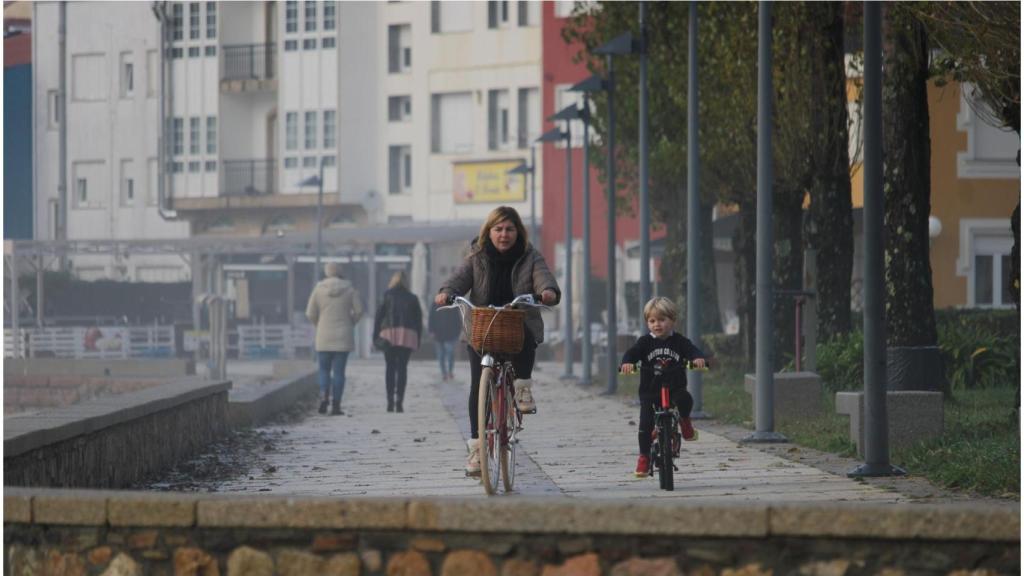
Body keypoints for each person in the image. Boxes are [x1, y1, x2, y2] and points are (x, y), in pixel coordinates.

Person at [434, 206, 560, 476]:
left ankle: (523, 387)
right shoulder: (476, 256)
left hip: (517, 322)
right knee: (477, 383)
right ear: (488, 232)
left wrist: (547, 292)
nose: (504, 235)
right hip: (481, 327)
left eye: (510, 229)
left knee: (525, 336)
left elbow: (543, 278)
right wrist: (447, 293)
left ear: (519, 232)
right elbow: (458, 278)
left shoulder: (530, 256)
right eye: (498, 229)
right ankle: (477, 450)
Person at [620, 296, 707, 478]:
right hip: (650, 392)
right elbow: (632, 353)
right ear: (647, 323)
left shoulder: (679, 341)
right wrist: (627, 362)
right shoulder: (645, 342)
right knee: (645, 424)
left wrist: (697, 359)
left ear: (673, 320)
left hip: (674, 388)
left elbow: (692, 350)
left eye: (661, 320)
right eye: (652, 321)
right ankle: (644, 457)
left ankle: (685, 422)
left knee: (685, 399)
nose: (657, 325)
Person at [306, 262, 363, 415]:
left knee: (324, 370)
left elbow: (310, 313)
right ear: (340, 271)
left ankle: (324, 396)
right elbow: (359, 311)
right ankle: (336, 405)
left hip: (323, 336)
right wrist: (350, 322)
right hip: (343, 336)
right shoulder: (350, 289)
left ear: (326, 272)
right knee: (339, 372)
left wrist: (319, 324)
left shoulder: (318, 289)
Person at [374, 270, 423, 413]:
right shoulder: (413, 298)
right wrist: (418, 338)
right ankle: (399, 401)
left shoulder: (387, 295)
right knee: (402, 368)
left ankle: (389, 401)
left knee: (389, 367)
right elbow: (418, 320)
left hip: (388, 334)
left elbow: (379, 317)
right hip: (407, 335)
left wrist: (375, 335)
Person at [429, 299, 462, 381]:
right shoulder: (435, 303)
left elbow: (457, 319)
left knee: (450, 353)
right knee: (441, 355)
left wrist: (457, 332)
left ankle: (450, 371)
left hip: (450, 334)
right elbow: (431, 317)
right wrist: (431, 330)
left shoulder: (452, 304)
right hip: (438, 333)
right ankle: (444, 373)